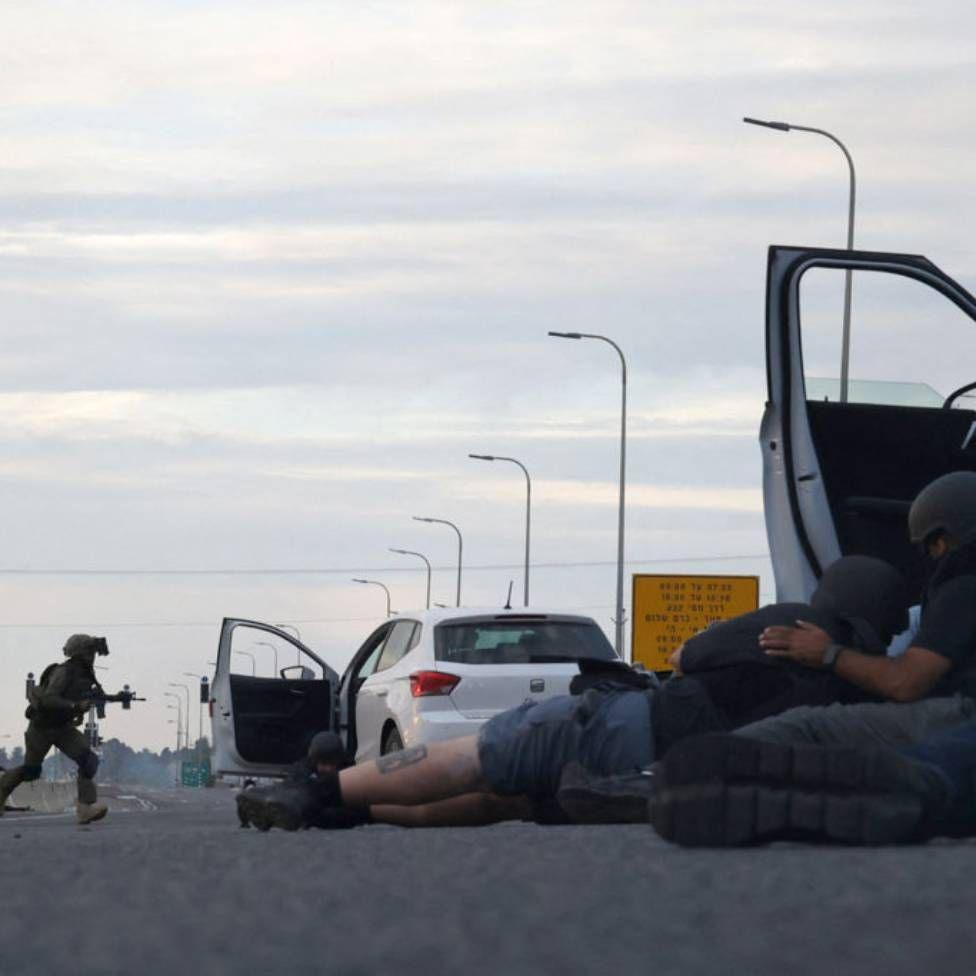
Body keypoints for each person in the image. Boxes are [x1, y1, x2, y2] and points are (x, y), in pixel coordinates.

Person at [235, 554, 911, 832]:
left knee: (478, 755)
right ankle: (364, 813)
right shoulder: (865, 691)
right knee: (507, 801)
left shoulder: (790, 625)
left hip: (633, 723)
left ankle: (324, 794)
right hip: (682, 775)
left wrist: (691, 650)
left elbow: (691, 655)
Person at [0, 635, 110, 825]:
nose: (92, 656)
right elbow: (49, 699)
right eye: (89, 652)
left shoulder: (85, 674)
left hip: (63, 728)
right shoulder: (64, 671)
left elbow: (84, 697)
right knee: (31, 771)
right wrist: (75, 706)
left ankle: (85, 808)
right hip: (41, 728)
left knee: (88, 760)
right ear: (80, 653)